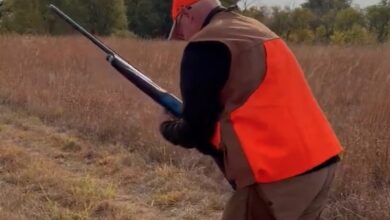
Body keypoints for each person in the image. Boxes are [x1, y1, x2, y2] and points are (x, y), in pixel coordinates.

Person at [159, 0, 343, 219]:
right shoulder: (255, 29)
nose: (183, 37)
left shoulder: (204, 45)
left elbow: (197, 131)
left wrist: (167, 127)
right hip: (321, 163)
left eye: (179, 29)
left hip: (279, 176)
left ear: (186, 15)